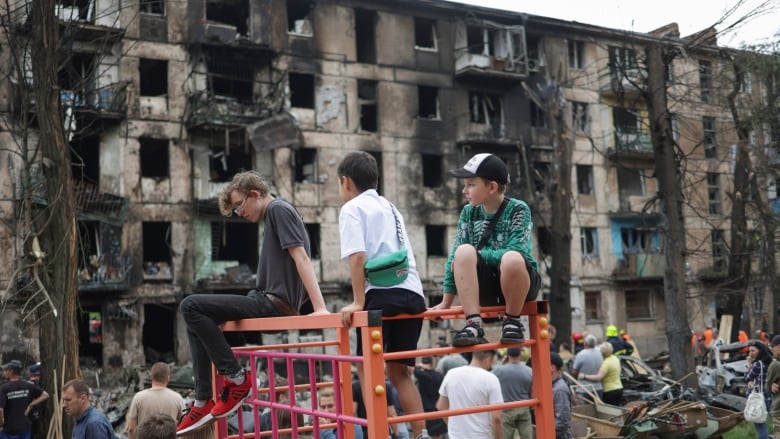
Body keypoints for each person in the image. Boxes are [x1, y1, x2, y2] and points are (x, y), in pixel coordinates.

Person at [177, 171, 329, 434]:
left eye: (239, 205)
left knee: (190, 305)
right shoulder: (276, 214)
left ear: (254, 194)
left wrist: (320, 308)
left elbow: (302, 258)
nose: (239, 212)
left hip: (270, 305)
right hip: (265, 299)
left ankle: (237, 379)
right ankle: (202, 400)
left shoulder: (278, 210)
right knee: (196, 318)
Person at [336, 151, 429, 439]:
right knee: (400, 372)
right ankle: (420, 433)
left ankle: (380, 432)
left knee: (367, 369)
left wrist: (358, 302)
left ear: (346, 182)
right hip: (413, 294)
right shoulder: (390, 207)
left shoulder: (352, 208)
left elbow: (357, 256)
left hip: (380, 296)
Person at [432, 153, 540, 346]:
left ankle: (512, 321)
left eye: (471, 185)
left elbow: (517, 250)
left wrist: (479, 255)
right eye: (465, 185)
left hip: (519, 283)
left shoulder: (518, 209)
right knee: (463, 252)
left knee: (512, 258)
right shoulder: (469, 211)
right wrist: (445, 301)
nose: (465, 190)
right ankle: (473, 324)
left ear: (492, 187)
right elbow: (455, 258)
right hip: (487, 285)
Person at [436, 350, 503, 439]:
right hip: (481, 436)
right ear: (488, 359)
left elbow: (441, 407)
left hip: (456, 436)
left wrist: (454, 426)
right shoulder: (491, 379)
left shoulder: (451, 374)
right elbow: (497, 418)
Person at [126, 362, 185, 439]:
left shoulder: (138, 397)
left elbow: (131, 429)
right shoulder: (177, 398)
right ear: (168, 378)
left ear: (151, 376)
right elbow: (184, 426)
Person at [0, 360, 49, 439]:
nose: (4, 372)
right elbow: (45, 395)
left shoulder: (3, 388)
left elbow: (0, 410)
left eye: (6, 370)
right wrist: (31, 405)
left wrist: (1, 424)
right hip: (24, 428)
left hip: (8, 430)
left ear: (11, 372)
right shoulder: (28, 385)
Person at [491, 347, 533, 439]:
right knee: (527, 436)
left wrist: (503, 364)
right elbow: (532, 391)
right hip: (524, 407)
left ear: (507, 355)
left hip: (506, 409)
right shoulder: (529, 371)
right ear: (520, 355)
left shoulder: (498, 370)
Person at [413, 357, 447, 439]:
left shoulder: (421, 375)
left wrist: (419, 366)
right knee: (437, 435)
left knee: (421, 434)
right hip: (436, 410)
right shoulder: (439, 376)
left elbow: (412, 368)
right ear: (432, 363)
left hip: (424, 410)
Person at [746, 340, 773, 439]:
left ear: (760, 351)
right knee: (762, 423)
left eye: (753, 351)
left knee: (760, 427)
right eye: (749, 351)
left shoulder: (758, 364)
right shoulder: (769, 362)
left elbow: (747, 377)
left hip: (758, 399)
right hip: (767, 397)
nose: (750, 354)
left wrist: (748, 364)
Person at [571, 334, 603, 401]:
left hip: (583, 389)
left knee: (583, 410)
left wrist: (575, 380)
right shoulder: (600, 353)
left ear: (585, 343)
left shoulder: (581, 354)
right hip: (598, 388)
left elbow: (574, 371)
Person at [551, 352, 574, 439]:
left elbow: (563, 421)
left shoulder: (559, 389)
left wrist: (551, 434)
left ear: (552, 368)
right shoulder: (553, 386)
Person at [764, 335, 780, 435]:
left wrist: (770, 386)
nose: (771, 350)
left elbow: (767, 387)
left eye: (772, 346)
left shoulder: (775, 365)